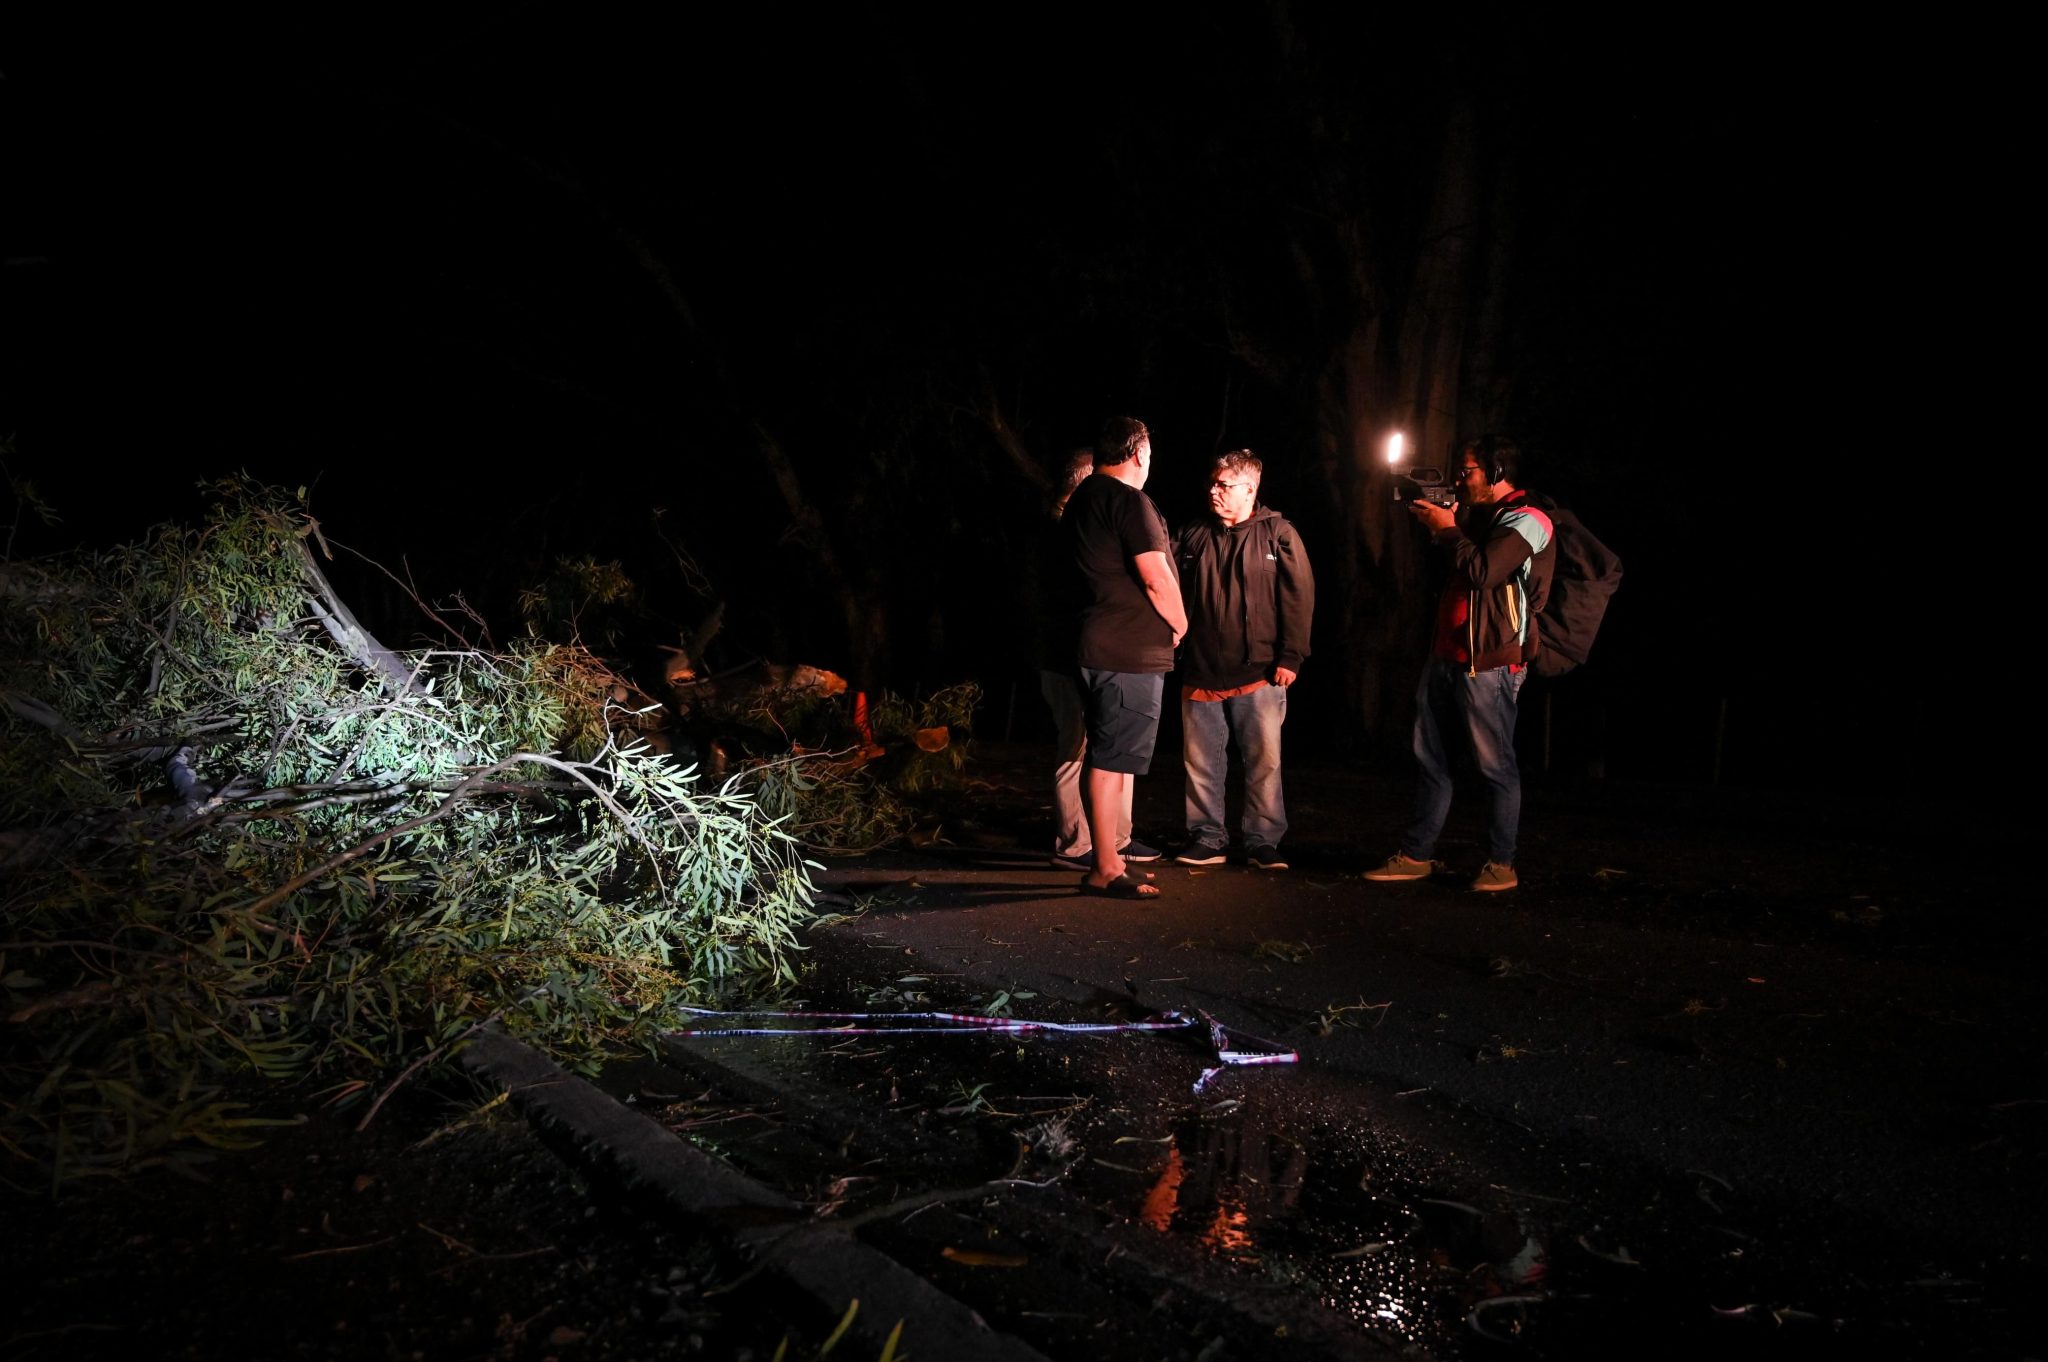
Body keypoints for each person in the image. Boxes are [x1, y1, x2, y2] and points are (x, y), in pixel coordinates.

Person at [1364, 435, 1553, 892]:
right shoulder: (1481, 517)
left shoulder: (1531, 519)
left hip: (1490, 662)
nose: (1459, 478)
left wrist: (1448, 529)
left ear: (1497, 472)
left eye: (1468, 470)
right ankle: (1416, 855)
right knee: (1432, 759)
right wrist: (1443, 527)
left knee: (1495, 765)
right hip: (1448, 655)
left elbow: (1486, 571)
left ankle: (1502, 864)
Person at [1171, 449, 1314, 870]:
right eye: (1212, 483)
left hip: (1261, 672)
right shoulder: (1194, 534)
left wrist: (1291, 656)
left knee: (1264, 761)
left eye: (1224, 484)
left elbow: (1299, 596)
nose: (1213, 491)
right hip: (1200, 669)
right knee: (1200, 763)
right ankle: (1207, 837)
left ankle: (1262, 841)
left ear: (1249, 489)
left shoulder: (1278, 534)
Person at [1062, 416, 1186, 899]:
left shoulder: (1084, 498)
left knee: (1110, 755)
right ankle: (1105, 867)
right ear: (1138, 453)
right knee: (1110, 757)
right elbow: (1155, 575)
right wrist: (1179, 621)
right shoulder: (1128, 500)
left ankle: (1110, 859)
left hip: (1100, 642)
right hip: (1125, 649)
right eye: (1149, 451)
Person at [1036, 448, 1153, 869]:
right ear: (1085, 479)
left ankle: (1117, 838)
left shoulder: (1087, 523)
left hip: (1096, 651)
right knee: (1077, 744)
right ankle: (1074, 842)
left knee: (1113, 744)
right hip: (1065, 654)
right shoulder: (1060, 527)